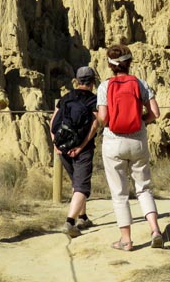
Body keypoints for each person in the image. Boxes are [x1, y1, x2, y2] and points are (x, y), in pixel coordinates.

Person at [97, 44, 163, 251]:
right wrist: (141, 120)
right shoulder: (140, 83)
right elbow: (155, 113)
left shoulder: (105, 86)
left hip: (113, 142)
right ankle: (155, 230)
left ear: (110, 65)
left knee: (119, 193)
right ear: (129, 63)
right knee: (144, 188)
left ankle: (126, 240)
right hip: (138, 141)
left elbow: (103, 118)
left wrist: (100, 120)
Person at [50, 66, 100, 238]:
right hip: (82, 149)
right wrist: (81, 146)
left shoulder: (66, 98)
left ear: (77, 81)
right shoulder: (93, 100)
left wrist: (55, 143)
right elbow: (95, 125)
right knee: (82, 186)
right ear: (92, 82)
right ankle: (70, 222)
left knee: (76, 183)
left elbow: (53, 121)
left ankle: (83, 217)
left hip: (63, 148)